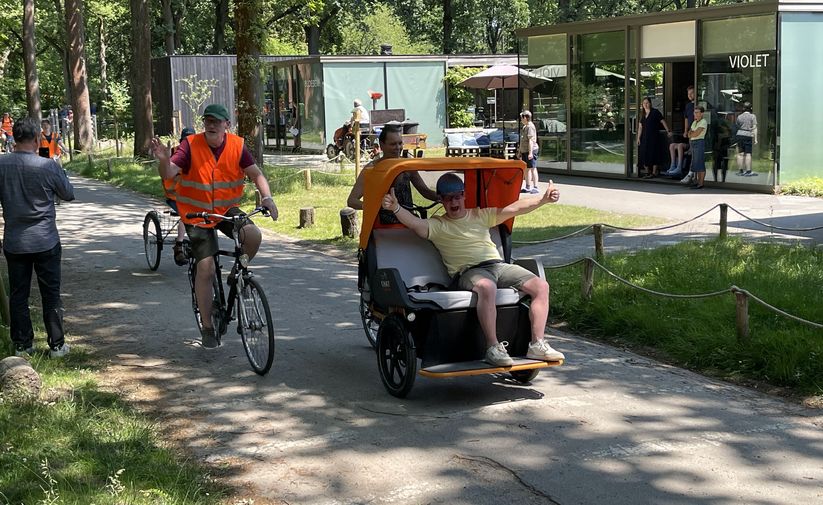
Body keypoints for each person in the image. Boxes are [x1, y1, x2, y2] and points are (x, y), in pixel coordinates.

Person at [381, 172, 565, 366]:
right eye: (448, 198)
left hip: (498, 265)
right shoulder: (438, 225)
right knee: (487, 287)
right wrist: (396, 207)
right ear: (441, 200)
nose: (454, 202)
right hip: (469, 271)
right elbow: (415, 223)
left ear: (464, 195)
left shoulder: (479, 215)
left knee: (541, 286)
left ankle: (537, 344)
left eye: (458, 196)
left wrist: (543, 199)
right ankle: (493, 348)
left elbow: (514, 208)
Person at [150, 104, 279, 349]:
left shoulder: (237, 146)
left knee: (253, 235)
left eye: (217, 121)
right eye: (208, 120)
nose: (211, 124)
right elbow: (169, 173)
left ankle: (236, 274)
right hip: (196, 214)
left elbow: (256, 174)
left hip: (225, 210)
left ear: (226, 125)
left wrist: (267, 197)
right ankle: (208, 327)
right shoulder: (190, 145)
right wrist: (164, 160)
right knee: (206, 269)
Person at [0, 118, 75, 358]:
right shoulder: (48, 166)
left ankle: (23, 345)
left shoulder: (1, 165)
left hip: (15, 240)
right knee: (50, 293)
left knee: (18, 294)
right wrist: (59, 170)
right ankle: (56, 345)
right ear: (36, 139)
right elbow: (68, 194)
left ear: (14, 139)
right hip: (46, 240)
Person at [347, 125, 438, 224]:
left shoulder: (407, 166)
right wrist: (374, 206)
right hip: (382, 226)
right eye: (393, 144)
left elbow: (425, 191)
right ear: (381, 145)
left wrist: (445, 197)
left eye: (400, 143)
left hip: (409, 222)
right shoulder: (372, 169)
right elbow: (352, 200)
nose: (398, 147)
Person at [164, 127, 196, 265]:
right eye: (185, 140)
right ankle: (179, 244)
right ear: (181, 141)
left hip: (192, 195)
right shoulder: (176, 153)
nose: (188, 142)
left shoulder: (197, 154)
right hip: (175, 195)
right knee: (187, 215)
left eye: (191, 140)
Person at [663, 85, 695, 179]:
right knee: (672, 145)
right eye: (688, 94)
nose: (690, 95)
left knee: (680, 145)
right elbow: (686, 118)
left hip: (693, 136)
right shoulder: (688, 105)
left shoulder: (698, 104)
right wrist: (685, 131)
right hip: (688, 134)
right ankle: (673, 165)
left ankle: (680, 167)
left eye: (692, 93)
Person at [636, 97, 672, 178]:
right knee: (644, 153)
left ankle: (654, 172)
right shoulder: (642, 114)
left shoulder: (655, 112)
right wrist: (638, 138)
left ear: (650, 103)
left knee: (654, 153)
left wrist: (668, 130)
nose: (645, 104)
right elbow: (640, 127)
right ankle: (647, 171)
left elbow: (662, 121)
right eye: (644, 103)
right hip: (644, 137)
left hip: (653, 137)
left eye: (647, 103)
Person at [686, 106, 708, 189]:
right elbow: (689, 134)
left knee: (700, 163)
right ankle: (697, 182)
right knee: (696, 163)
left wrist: (692, 133)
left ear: (702, 113)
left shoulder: (703, 122)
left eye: (697, 112)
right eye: (694, 112)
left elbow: (696, 134)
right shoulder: (694, 122)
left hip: (699, 142)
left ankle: (701, 183)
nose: (695, 114)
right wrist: (691, 133)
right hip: (693, 143)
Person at [518, 110, 540, 194]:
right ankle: (527, 187)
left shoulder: (530, 126)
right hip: (524, 151)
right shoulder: (525, 127)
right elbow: (522, 140)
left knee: (533, 168)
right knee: (526, 169)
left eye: (522, 118)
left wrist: (530, 153)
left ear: (525, 117)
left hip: (531, 150)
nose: (521, 120)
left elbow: (531, 141)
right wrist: (520, 151)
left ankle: (536, 187)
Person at [735, 102, 758, 176]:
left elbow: (737, 125)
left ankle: (740, 171)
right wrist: (755, 139)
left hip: (740, 134)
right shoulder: (752, 116)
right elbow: (755, 127)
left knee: (740, 153)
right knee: (748, 153)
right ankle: (748, 171)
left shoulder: (739, 116)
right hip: (748, 134)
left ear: (743, 108)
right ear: (750, 108)